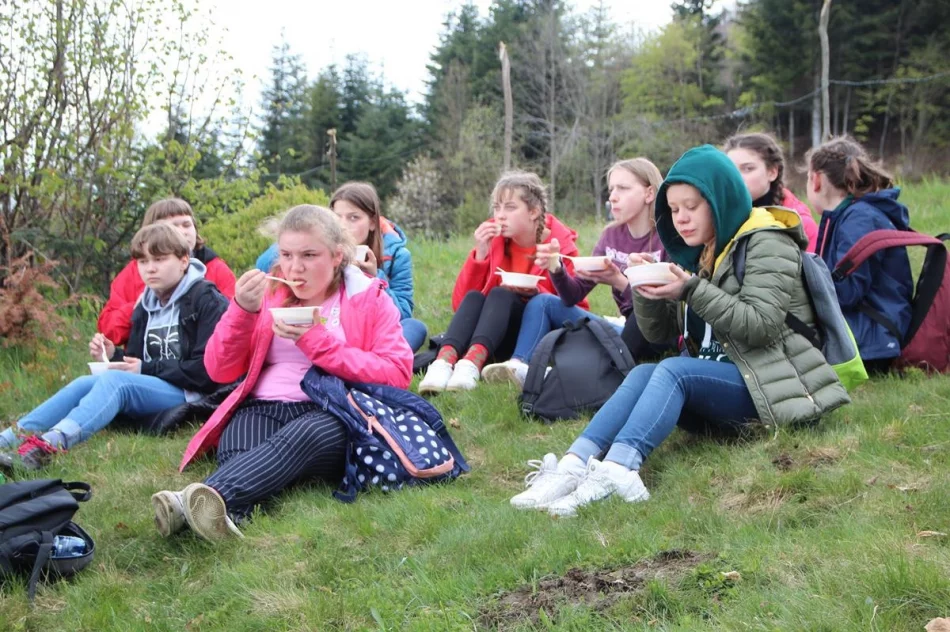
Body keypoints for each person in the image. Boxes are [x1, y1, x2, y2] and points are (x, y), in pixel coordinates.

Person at [508, 145, 850, 517]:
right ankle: (574, 464)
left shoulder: (767, 242)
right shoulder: (705, 250)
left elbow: (761, 326)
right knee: (644, 372)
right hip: (732, 380)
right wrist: (645, 290)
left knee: (674, 370)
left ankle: (620, 469)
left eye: (692, 207)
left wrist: (690, 289)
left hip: (772, 386)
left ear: (720, 200)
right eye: (673, 210)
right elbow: (659, 334)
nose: (681, 219)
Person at [151, 204, 412, 542]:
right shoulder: (268, 296)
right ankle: (225, 513)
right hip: (265, 404)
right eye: (286, 254)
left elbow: (397, 373)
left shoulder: (368, 297)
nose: (294, 266)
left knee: (303, 438)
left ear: (336, 256)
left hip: (332, 412)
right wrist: (242, 311)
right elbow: (218, 369)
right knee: (239, 445)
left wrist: (316, 342)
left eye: (308, 255)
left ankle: (192, 504)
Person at [0, 224, 229, 471]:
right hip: (157, 387)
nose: (150, 268)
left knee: (115, 382)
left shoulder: (205, 299)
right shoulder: (145, 305)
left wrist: (143, 369)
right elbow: (139, 362)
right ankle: (8, 439)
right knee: (83, 383)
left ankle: (46, 447)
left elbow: (207, 371)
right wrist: (112, 355)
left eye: (160, 260)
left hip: (192, 393)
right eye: (143, 262)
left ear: (184, 261)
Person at [482, 158, 675, 387]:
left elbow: (667, 314)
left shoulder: (669, 238)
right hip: (622, 330)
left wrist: (619, 282)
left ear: (649, 193)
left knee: (625, 333)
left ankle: (572, 374)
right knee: (543, 302)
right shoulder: (610, 236)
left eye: (623, 188)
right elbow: (573, 296)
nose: (612, 196)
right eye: (611, 189)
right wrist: (556, 267)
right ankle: (520, 365)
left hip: (656, 334)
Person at [417, 171, 586, 394]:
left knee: (500, 294)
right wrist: (480, 254)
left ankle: (471, 364)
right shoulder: (494, 241)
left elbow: (576, 309)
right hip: (494, 332)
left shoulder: (560, 246)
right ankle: (443, 364)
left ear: (534, 212)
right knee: (477, 296)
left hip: (533, 335)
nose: (500, 216)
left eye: (510, 207)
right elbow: (462, 304)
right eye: (497, 208)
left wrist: (537, 292)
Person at [257, 183, 427, 352]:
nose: (343, 225)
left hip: (374, 330)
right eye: (337, 217)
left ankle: (376, 360)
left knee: (414, 327)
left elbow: (402, 315)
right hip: (332, 328)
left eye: (354, 217)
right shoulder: (320, 250)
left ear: (373, 223)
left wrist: (375, 278)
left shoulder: (397, 255)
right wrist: (295, 247)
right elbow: (263, 265)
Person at [805, 135, 913, 373]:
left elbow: (845, 292)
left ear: (816, 180)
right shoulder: (856, 216)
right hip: (872, 334)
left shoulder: (860, 219)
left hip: (874, 340)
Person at [98, 198, 236, 347]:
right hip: (144, 363)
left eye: (187, 225)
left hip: (196, 362)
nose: (183, 231)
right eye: (173, 226)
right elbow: (108, 332)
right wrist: (136, 309)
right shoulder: (134, 272)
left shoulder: (216, 268)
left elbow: (234, 324)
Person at [725, 132, 819, 252]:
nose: (737, 177)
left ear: (772, 172)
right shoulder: (717, 219)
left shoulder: (800, 225)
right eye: (731, 170)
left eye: (748, 169)